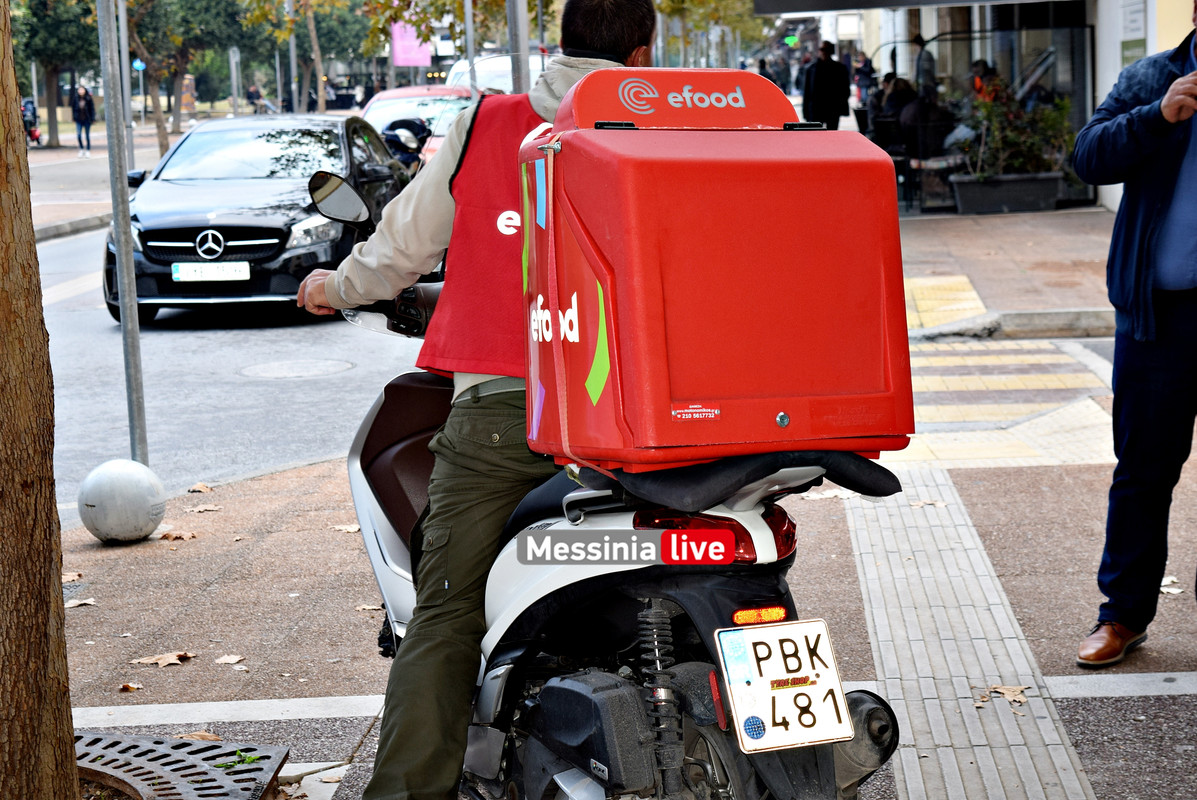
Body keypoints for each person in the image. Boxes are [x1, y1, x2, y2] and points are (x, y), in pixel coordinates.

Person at [294, 1, 657, 796]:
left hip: (509, 416)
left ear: (560, 44)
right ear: (641, 50)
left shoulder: (486, 125)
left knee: (446, 617)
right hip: (662, 419)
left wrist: (333, 286)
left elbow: (400, 250)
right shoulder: (679, 131)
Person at [1072, 6, 1197, 668]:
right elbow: (1086, 157)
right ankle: (1121, 617)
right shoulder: (1154, 77)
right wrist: (1157, 116)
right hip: (1159, 318)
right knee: (1143, 473)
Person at [801, 40, 850, 130]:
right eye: (822, 49)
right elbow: (807, 92)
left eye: (826, 49)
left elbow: (845, 90)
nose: (824, 52)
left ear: (831, 51)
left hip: (832, 108)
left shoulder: (839, 68)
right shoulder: (811, 69)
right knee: (816, 137)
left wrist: (840, 104)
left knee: (831, 136)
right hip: (816, 108)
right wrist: (805, 111)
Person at [71, 86, 95, 158]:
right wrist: (74, 117)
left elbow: (92, 109)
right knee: (78, 135)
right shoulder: (76, 98)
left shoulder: (88, 98)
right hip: (79, 120)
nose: (81, 91)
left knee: (87, 136)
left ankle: (88, 150)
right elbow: (73, 109)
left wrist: (93, 118)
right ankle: (81, 149)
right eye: (79, 90)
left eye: (82, 89)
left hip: (87, 120)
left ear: (85, 90)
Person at [913, 34, 937, 103]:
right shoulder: (920, 55)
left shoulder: (925, 54)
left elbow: (927, 70)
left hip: (926, 85)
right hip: (924, 85)